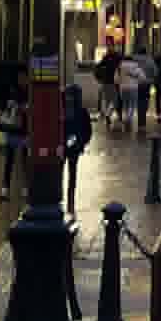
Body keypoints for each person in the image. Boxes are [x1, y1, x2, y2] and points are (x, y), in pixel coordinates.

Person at [62, 66, 93, 215]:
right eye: (68, 95)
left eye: (71, 96)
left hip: (73, 148)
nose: (69, 98)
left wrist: (81, 143)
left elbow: (88, 131)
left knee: (72, 174)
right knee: (61, 173)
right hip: (63, 147)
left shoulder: (81, 111)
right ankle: (62, 199)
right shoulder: (62, 110)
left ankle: (70, 201)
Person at [0, 64, 28, 198]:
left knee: (25, 161)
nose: (22, 79)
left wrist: (26, 108)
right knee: (9, 160)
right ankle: (5, 188)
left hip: (25, 131)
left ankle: (25, 187)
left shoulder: (30, 91)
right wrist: (11, 105)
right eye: (20, 77)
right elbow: (4, 106)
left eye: (24, 77)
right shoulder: (12, 91)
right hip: (13, 130)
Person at [93, 46, 122, 128]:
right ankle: (108, 114)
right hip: (114, 83)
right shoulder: (117, 59)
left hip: (105, 82)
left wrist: (99, 78)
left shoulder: (105, 59)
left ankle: (108, 114)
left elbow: (97, 67)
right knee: (115, 101)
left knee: (108, 101)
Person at [131, 40, 154, 136]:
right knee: (144, 101)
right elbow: (155, 71)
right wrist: (151, 79)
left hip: (136, 84)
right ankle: (142, 121)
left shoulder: (133, 59)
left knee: (138, 101)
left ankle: (140, 121)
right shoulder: (150, 60)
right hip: (146, 84)